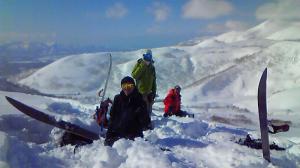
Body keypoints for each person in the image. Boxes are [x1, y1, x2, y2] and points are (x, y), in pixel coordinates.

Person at [104, 76, 150, 146]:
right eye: (124, 86)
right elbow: (112, 119)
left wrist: (142, 112)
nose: (127, 88)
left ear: (134, 87)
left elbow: (146, 124)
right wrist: (108, 136)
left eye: (130, 85)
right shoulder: (117, 99)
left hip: (133, 139)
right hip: (117, 136)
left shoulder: (140, 100)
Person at [132, 49, 157, 118]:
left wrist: (154, 92)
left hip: (149, 93)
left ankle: (148, 124)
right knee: (140, 111)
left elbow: (154, 81)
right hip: (140, 93)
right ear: (143, 56)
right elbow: (134, 75)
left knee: (148, 111)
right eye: (146, 56)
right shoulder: (139, 64)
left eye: (149, 56)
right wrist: (143, 65)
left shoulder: (152, 68)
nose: (147, 58)